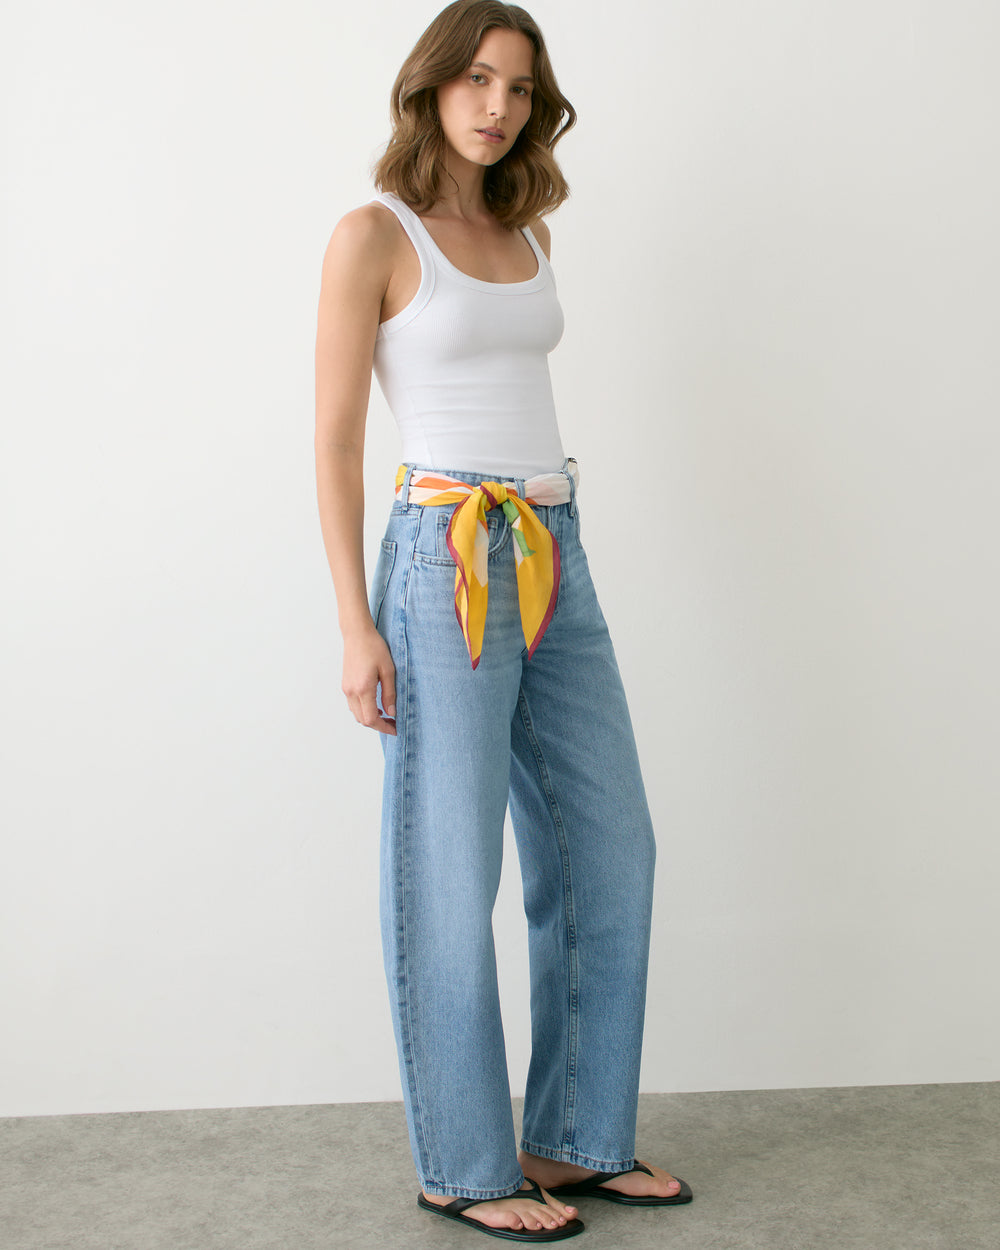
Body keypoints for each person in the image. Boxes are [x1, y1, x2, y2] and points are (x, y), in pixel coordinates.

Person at [314, 1, 692, 1240]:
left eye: (519, 89)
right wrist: (353, 624)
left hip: (552, 546)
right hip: (444, 558)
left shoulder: (523, 230)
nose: (496, 106)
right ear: (428, 86)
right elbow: (333, 437)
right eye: (476, 80)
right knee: (450, 860)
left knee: (609, 838)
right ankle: (465, 1162)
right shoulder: (375, 233)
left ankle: (575, 1136)